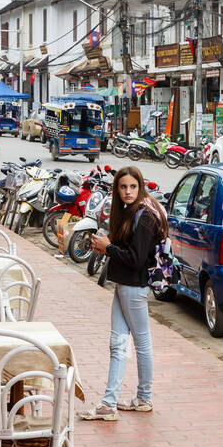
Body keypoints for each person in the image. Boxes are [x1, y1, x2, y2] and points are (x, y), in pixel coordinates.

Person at [79, 166, 167, 421]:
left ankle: (143, 397)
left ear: (140, 187)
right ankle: (112, 403)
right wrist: (108, 245)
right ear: (117, 189)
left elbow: (137, 259)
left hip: (134, 287)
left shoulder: (145, 215)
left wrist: (108, 249)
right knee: (118, 344)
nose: (128, 192)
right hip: (125, 285)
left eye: (133, 187)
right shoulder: (131, 212)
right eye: (123, 187)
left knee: (141, 343)